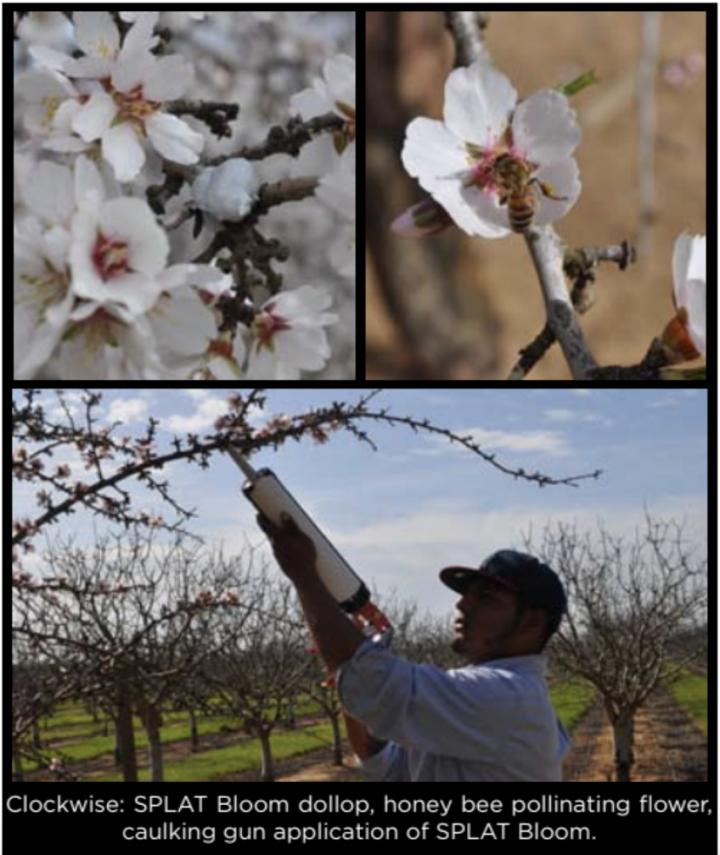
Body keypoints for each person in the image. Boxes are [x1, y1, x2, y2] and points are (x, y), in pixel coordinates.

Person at [257, 512, 571, 782]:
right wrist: (347, 673)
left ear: (531, 623)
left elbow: (373, 685)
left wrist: (304, 573)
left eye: (486, 599)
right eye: (467, 595)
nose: (462, 604)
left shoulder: (507, 697)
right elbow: (382, 761)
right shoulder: (484, 700)